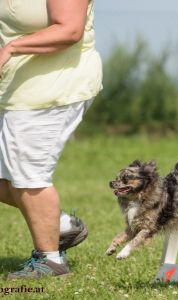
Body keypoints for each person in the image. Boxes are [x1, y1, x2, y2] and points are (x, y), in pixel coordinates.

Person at [0, 0, 102, 279]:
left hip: (54, 87)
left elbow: (69, 30)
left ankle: (50, 261)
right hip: (17, 88)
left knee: (28, 174)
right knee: (6, 179)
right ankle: (61, 224)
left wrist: (11, 48)